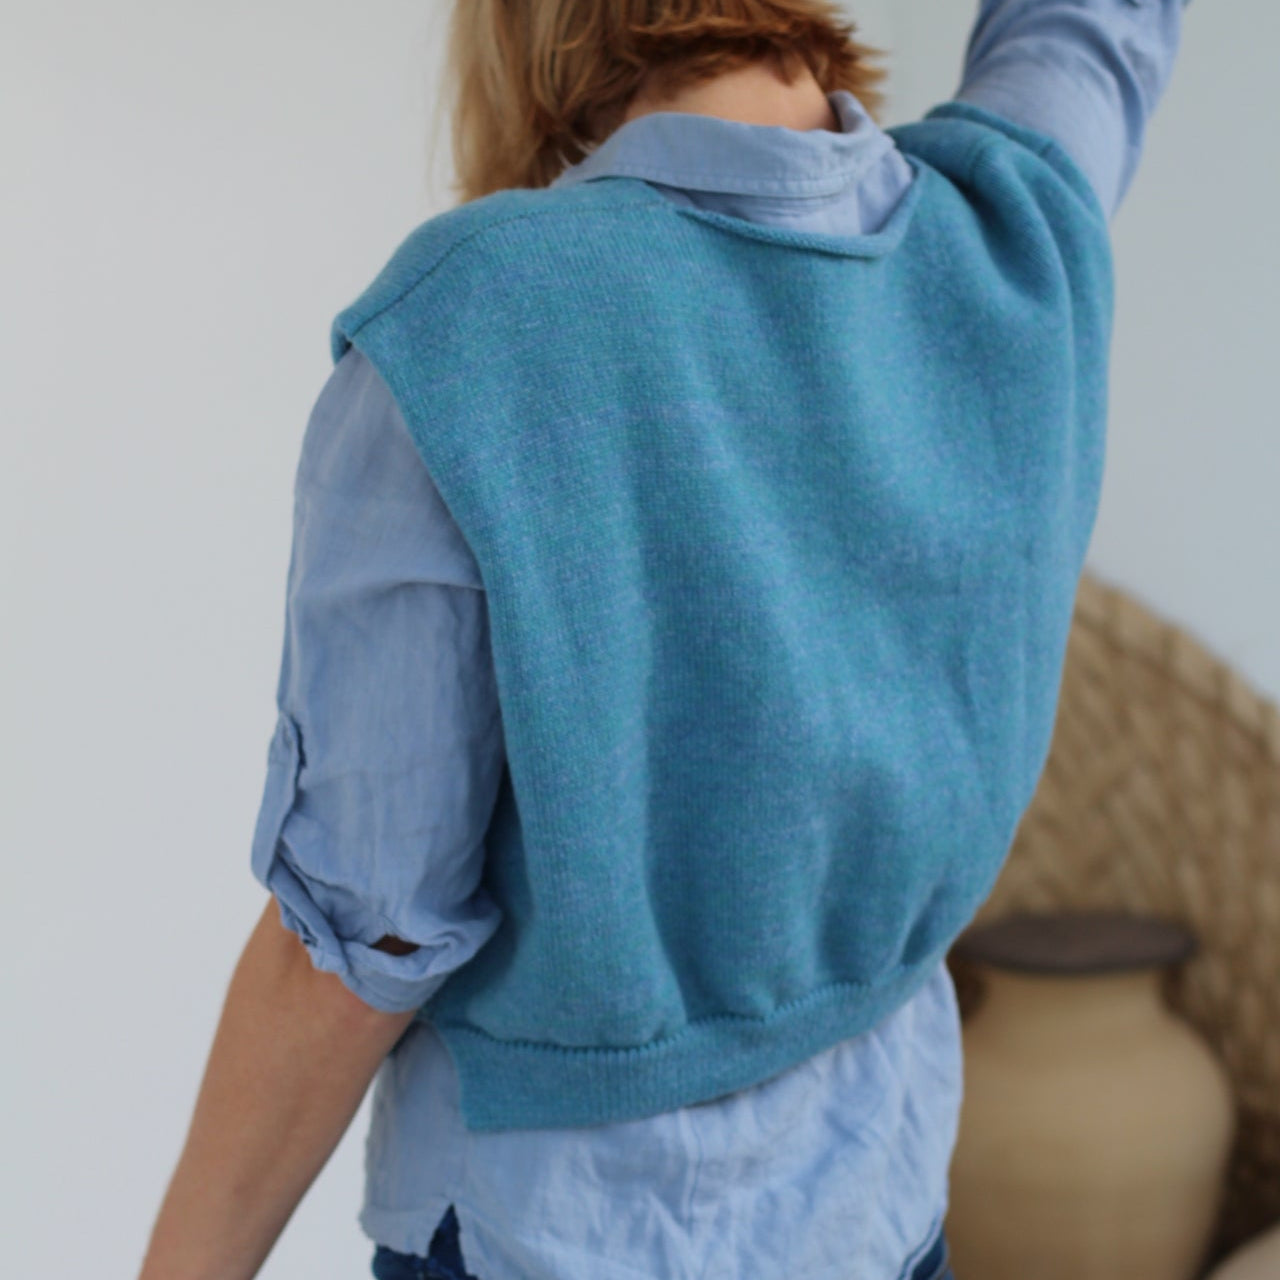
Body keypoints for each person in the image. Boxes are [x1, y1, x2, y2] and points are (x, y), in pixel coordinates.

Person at [136, 2, 1190, 1278]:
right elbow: (1084, 39)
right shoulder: (1010, 237)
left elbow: (365, 943)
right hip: (883, 1219)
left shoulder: (466, 327)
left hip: (553, 1236)